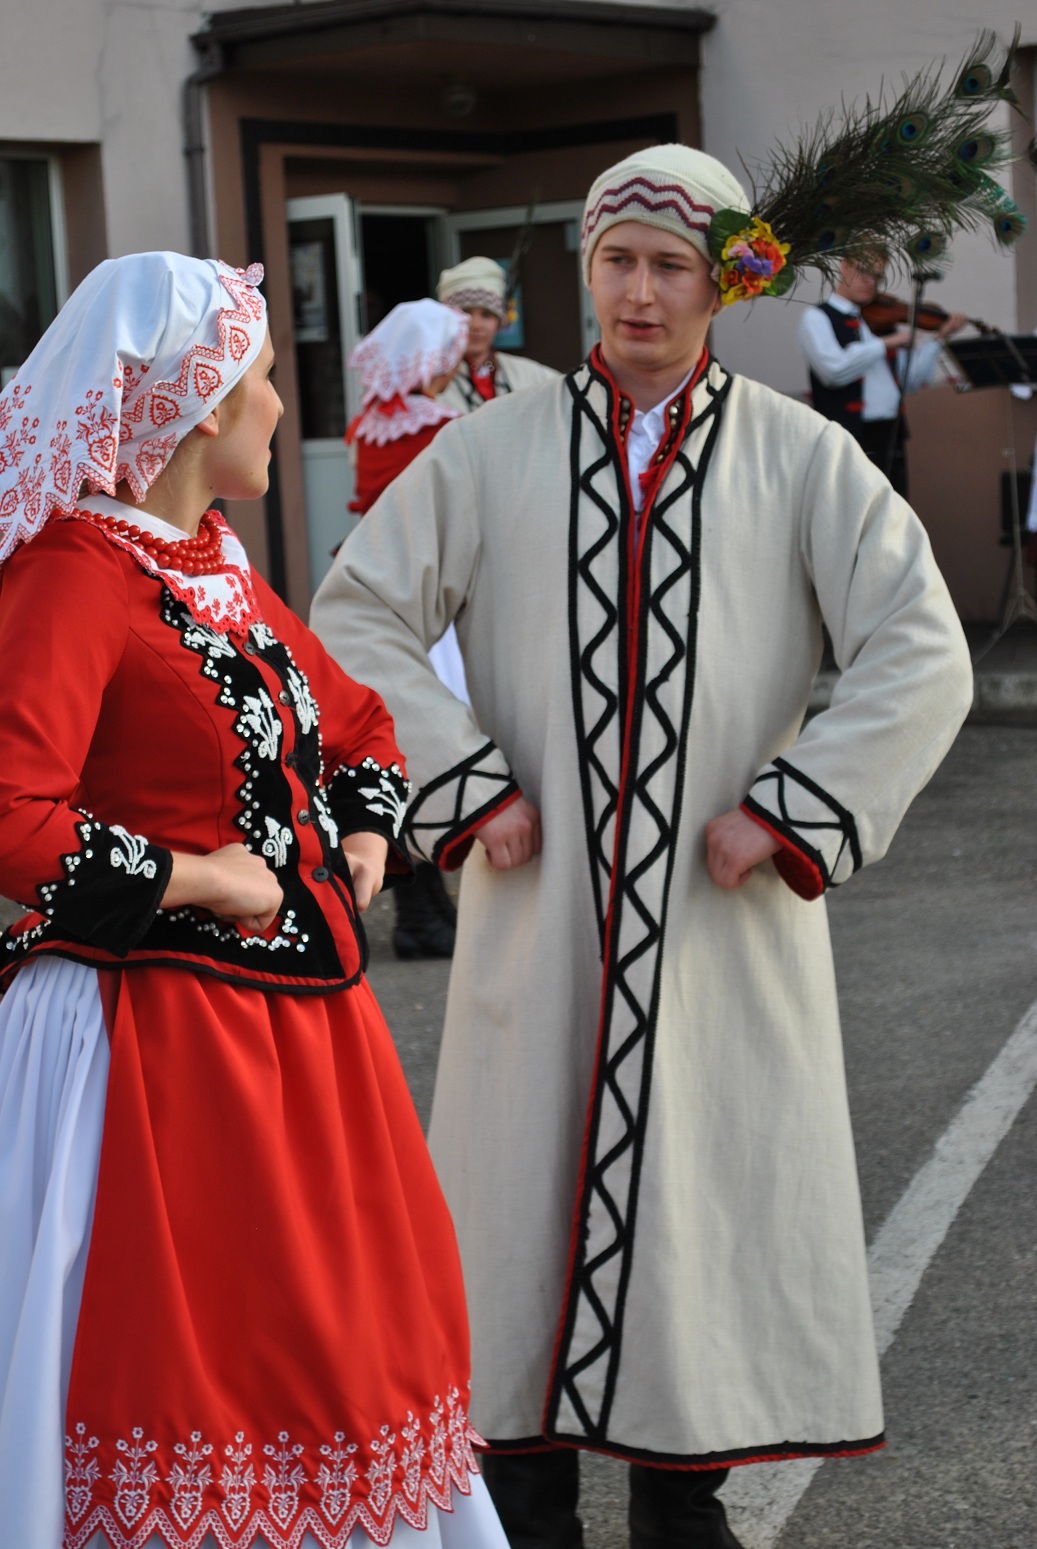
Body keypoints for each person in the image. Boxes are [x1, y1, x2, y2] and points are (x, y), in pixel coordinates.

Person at [310, 131, 982, 1548]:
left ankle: (686, 1503)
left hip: (720, 927)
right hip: (536, 917)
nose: (635, 293)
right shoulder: (488, 449)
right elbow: (355, 615)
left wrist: (791, 807)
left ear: (720, 283)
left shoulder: (800, 459)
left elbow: (919, 649)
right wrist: (465, 785)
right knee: (516, 1213)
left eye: (668, 265)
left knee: (707, 1207)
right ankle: (526, 1502)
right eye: (614, 260)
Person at [0, 251, 509, 1549]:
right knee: (200, 1355)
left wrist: (365, 824)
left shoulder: (212, 560)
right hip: (151, 1042)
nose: (285, 406)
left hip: (298, 1030)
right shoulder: (76, 574)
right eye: (268, 379)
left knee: (334, 1342)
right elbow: (8, 809)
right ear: (204, 404)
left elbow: (356, 717)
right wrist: (197, 876)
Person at [346, 297, 471, 959]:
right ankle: (422, 914)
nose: (455, 366)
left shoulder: (370, 426)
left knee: (396, 746)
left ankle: (423, 906)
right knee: (429, 744)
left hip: (378, 595)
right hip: (431, 602)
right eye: (450, 355)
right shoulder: (441, 427)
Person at [798, 256, 968, 496]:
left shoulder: (881, 321)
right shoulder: (817, 317)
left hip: (890, 433)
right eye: (864, 272)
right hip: (849, 435)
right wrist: (886, 343)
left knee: (894, 507)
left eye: (877, 276)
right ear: (845, 266)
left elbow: (910, 381)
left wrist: (938, 338)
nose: (871, 282)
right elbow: (833, 371)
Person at [435, 257, 558, 413]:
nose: (476, 325)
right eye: (466, 313)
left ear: (499, 322)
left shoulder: (529, 374)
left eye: (486, 315)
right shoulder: (433, 379)